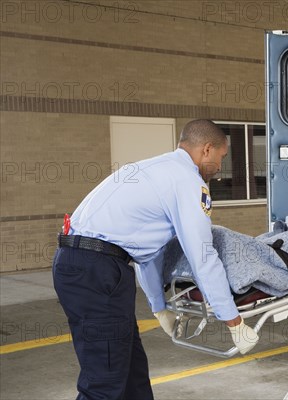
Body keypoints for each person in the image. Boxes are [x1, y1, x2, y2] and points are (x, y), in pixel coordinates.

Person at [52, 119, 258, 400]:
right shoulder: (188, 182)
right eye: (221, 157)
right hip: (97, 269)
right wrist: (233, 320)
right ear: (207, 150)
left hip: (83, 263)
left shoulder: (152, 168)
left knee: (132, 374)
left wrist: (159, 307)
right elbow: (202, 255)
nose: (220, 167)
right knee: (105, 381)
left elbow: (147, 252)